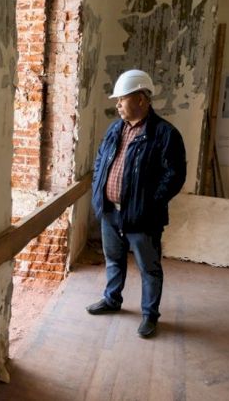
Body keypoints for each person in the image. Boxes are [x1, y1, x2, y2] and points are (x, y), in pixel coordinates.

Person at [87, 69, 186, 338]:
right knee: (113, 260)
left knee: (149, 268)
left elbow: (174, 176)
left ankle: (149, 315)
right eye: (118, 100)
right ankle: (112, 300)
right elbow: (100, 161)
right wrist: (99, 190)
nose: (118, 104)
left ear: (141, 99)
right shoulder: (115, 129)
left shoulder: (165, 134)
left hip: (143, 217)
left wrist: (150, 204)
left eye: (122, 99)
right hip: (111, 212)